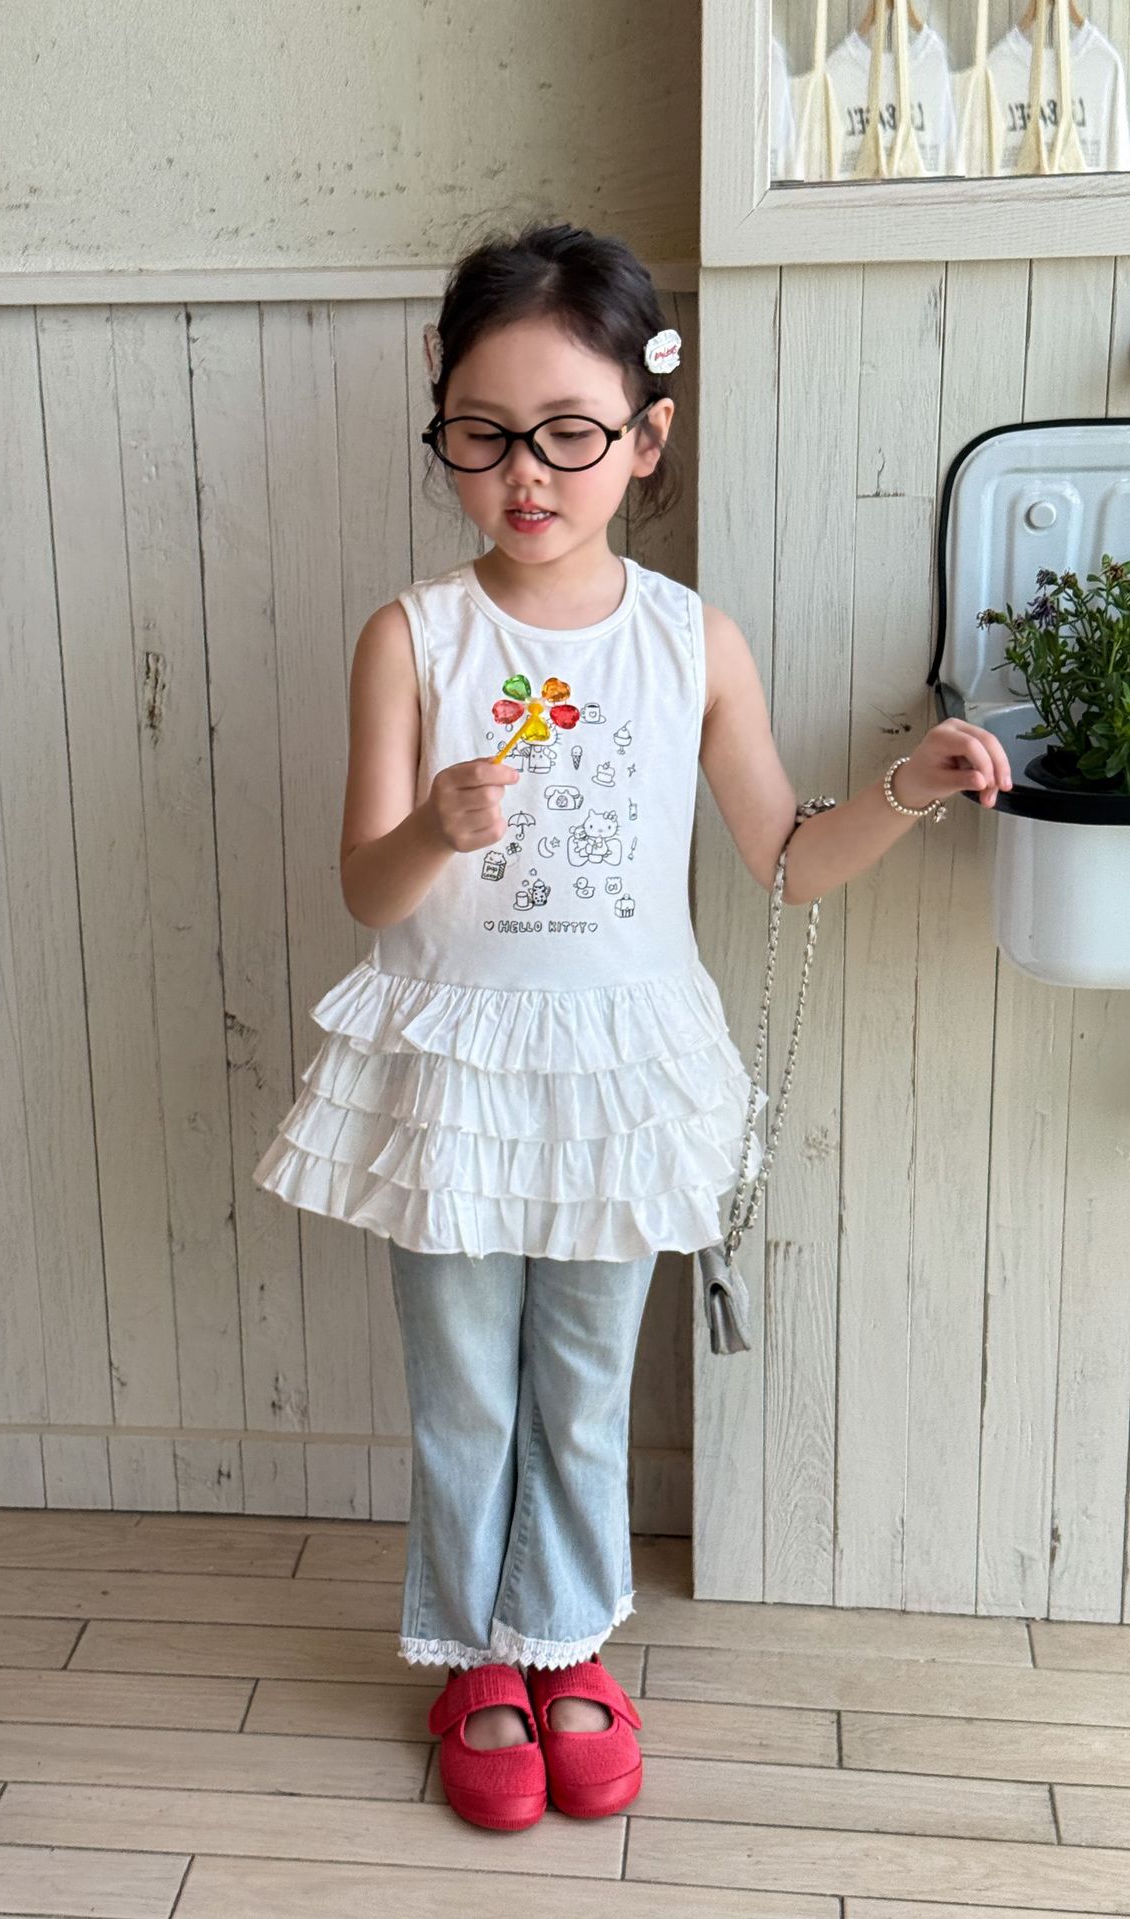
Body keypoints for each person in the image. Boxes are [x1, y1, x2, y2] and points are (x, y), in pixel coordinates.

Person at [253, 221, 1012, 1833]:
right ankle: (476, 1657)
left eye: (567, 435)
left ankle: (566, 1639)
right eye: (482, 435)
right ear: (444, 426)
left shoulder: (690, 643)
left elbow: (785, 857)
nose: (525, 474)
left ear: (647, 436)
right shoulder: (414, 637)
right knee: (467, 1388)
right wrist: (435, 825)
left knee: (585, 1378)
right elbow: (369, 891)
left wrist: (908, 788)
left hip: (615, 1074)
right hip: (454, 1071)